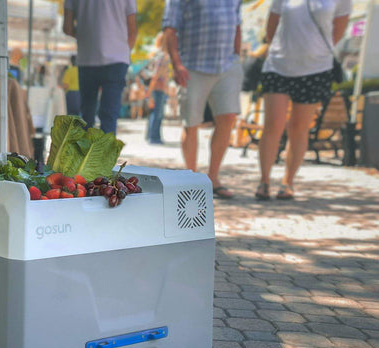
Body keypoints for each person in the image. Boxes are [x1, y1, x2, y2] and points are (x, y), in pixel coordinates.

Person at [255, 0, 352, 200]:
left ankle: (287, 182)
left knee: (299, 127)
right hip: (279, 65)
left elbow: (338, 31)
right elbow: (271, 28)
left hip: (315, 68)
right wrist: (282, 51)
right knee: (273, 123)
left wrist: (315, 51)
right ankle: (264, 181)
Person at [163, 0, 243, 199]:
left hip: (227, 66)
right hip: (191, 66)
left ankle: (213, 178)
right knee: (191, 124)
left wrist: (236, 57)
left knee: (228, 118)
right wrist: (177, 64)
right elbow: (170, 30)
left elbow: (237, 26)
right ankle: (191, 180)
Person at [63, 0, 137, 134]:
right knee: (109, 116)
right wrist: (124, 50)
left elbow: (67, 27)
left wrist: (87, 37)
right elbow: (132, 29)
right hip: (117, 59)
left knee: (86, 116)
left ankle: (86, 154)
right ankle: (105, 154)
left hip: (87, 58)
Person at [146, 32, 171, 144]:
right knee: (158, 113)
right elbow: (156, 75)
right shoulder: (162, 56)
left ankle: (150, 136)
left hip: (154, 88)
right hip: (158, 88)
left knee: (154, 112)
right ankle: (154, 137)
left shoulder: (155, 55)